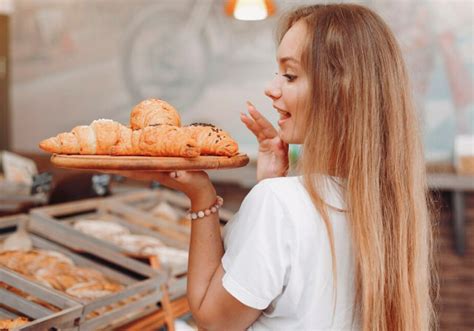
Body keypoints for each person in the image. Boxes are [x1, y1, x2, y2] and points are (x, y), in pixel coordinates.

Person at [114, 4, 435, 330]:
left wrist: (202, 199)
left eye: (290, 75)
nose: (271, 88)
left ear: (340, 91)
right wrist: (272, 181)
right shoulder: (392, 207)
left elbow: (213, 320)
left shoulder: (279, 204)